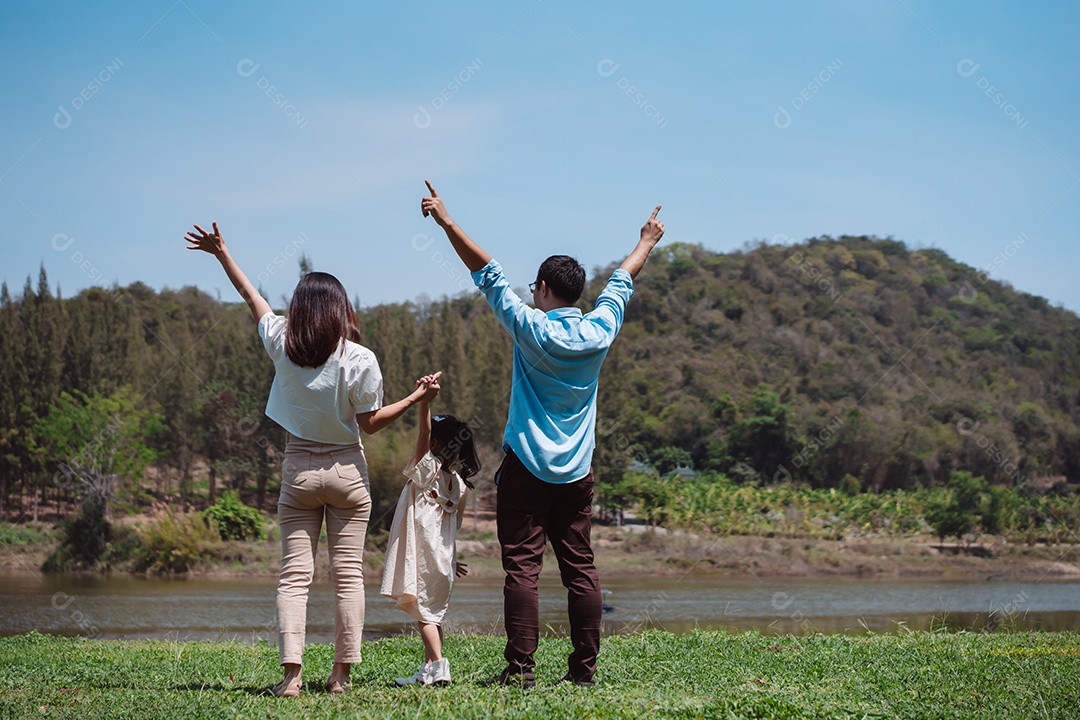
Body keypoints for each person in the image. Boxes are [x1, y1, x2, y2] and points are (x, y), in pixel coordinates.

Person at [419, 181, 665, 687]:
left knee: (522, 573)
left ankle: (522, 672)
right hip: (576, 473)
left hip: (526, 470)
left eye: (535, 287)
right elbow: (623, 277)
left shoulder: (530, 326)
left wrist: (446, 221)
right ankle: (584, 672)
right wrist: (647, 239)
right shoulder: (601, 330)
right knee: (581, 569)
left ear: (546, 290)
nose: (531, 293)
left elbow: (485, 270)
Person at [185, 222, 441, 697]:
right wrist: (413, 398)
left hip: (298, 469)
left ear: (300, 308)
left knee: (293, 578)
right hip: (348, 472)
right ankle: (340, 678)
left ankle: (291, 676)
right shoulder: (360, 358)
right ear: (341, 310)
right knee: (348, 578)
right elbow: (370, 423)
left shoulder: (282, 341)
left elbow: (251, 297)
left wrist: (222, 254)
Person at [380, 394, 480, 687]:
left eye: (428, 440)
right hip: (443, 557)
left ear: (434, 445)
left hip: (424, 555)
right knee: (433, 614)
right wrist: (452, 558)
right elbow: (451, 527)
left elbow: (423, 433)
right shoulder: (459, 486)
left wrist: (423, 402)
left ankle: (439, 665)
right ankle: (427, 669)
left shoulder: (426, 470)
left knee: (425, 613)